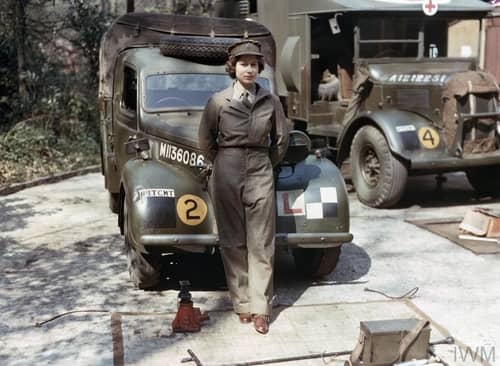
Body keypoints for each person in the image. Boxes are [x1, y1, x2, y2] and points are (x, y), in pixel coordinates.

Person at [198, 40, 289, 334]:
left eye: (253, 64)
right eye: (243, 64)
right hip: (226, 171)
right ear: (232, 67)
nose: (249, 69)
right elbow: (206, 142)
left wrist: (264, 164)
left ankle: (261, 309)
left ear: (259, 68)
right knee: (233, 242)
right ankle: (243, 304)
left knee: (261, 243)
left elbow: (281, 141)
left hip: (261, 171)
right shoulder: (218, 101)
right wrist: (225, 163)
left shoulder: (270, 101)